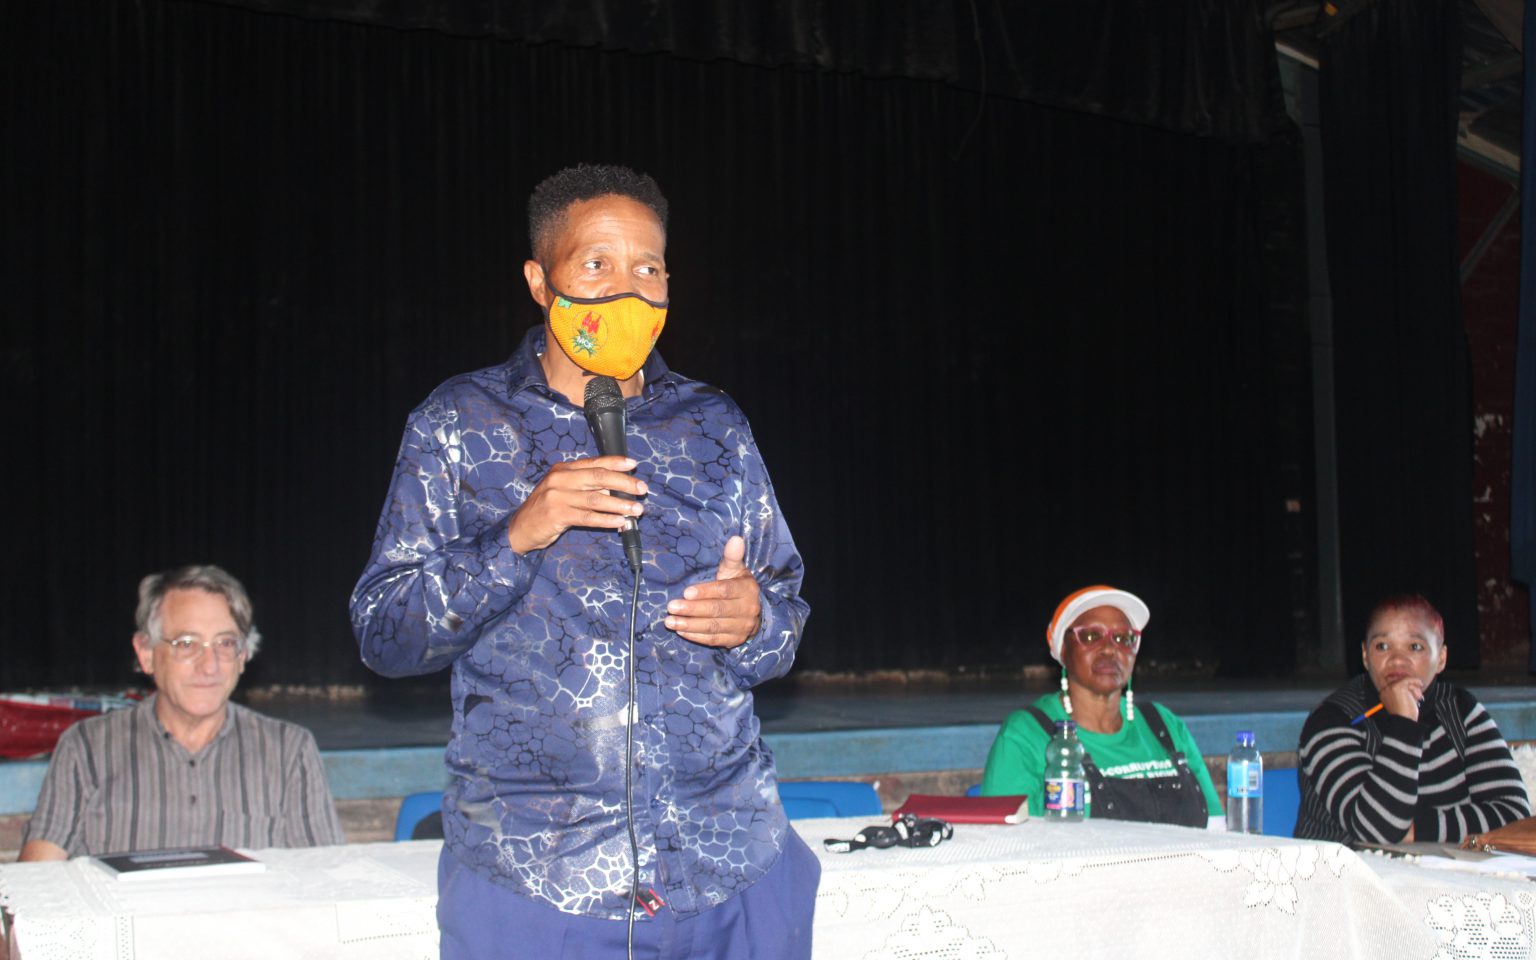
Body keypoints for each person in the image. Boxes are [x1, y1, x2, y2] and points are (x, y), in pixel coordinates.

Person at [350, 163, 815, 959]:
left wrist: (753, 620)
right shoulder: (460, 422)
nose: (627, 291)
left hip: (731, 866)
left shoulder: (714, 424)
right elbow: (385, 635)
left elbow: (784, 624)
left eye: (649, 268)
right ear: (540, 280)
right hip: (539, 881)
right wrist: (515, 536)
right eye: (596, 264)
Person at [20, 565, 342, 860]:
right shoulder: (86, 749)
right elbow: (38, 885)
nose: (209, 665)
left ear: (243, 656)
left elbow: (327, 886)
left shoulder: (289, 752)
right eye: (187, 644)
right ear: (146, 654)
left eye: (226, 644)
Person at [980, 585, 1223, 827]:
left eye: (1123, 638)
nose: (1109, 649)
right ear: (1062, 650)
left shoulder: (1165, 726)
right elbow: (1005, 847)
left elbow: (1216, 828)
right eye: (1090, 636)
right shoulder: (1025, 735)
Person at [1295, 594, 1530, 843]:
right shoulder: (1332, 719)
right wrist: (1404, 723)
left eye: (1415, 647)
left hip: (1445, 875)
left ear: (1441, 659)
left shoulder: (1460, 710)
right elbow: (1377, 830)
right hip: (1347, 877)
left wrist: (1415, 831)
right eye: (1382, 646)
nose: (1397, 659)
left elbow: (1514, 815)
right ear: (1365, 656)